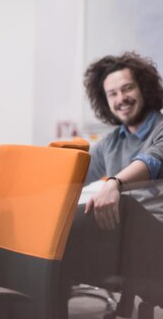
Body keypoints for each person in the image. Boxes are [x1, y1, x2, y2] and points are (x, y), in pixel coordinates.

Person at [59, 52, 163, 318]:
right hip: (125, 242)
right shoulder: (111, 142)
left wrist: (115, 183)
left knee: (123, 205)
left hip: (156, 236)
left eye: (127, 88)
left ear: (145, 89)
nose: (121, 99)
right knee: (54, 231)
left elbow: (151, 161)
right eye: (112, 94)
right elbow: (74, 176)